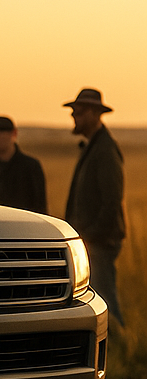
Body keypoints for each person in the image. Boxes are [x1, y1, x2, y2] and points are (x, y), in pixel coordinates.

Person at [63, 87, 125, 327]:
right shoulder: (94, 146)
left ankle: (122, 344)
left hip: (100, 242)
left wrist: (91, 236)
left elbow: (112, 201)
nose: (73, 117)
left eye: (78, 112)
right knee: (99, 302)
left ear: (93, 113)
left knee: (105, 304)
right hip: (94, 240)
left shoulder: (105, 149)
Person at [0, 115, 47, 213]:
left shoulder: (30, 167)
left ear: (14, 133)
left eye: (1, 132)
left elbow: (40, 206)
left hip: (23, 221)